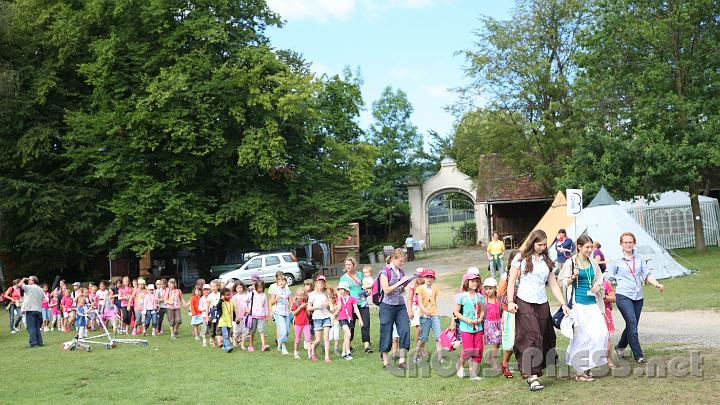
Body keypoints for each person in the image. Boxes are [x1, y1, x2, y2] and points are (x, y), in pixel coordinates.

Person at [507, 230, 570, 392]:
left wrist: (563, 303)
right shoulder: (520, 258)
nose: (542, 247)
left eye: (544, 244)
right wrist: (510, 301)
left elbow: (553, 284)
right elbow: (511, 280)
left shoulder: (547, 261)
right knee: (531, 337)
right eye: (539, 244)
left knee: (544, 336)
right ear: (532, 243)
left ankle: (535, 369)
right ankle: (532, 377)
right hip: (524, 301)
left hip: (542, 303)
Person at [608, 232, 664, 364]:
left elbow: (647, 274)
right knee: (632, 324)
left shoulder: (639, 258)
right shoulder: (616, 259)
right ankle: (639, 356)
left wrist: (657, 284)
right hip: (623, 295)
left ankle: (620, 347)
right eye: (625, 242)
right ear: (621, 244)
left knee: (631, 325)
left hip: (638, 296)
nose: (628, 244)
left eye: (630, 242)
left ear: (634, 243)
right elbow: (609, 277)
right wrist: (604, 289)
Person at [559, 234, 609, 381]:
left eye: (591, 247)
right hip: (577, 304)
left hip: (592, 303)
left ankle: (588, 365)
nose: (590, 250)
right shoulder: (571, 263)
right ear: (579, 247)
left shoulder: (593, 262)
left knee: (601, 334)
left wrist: (597, 285)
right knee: (581, 337)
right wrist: (572, 278)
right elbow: (561, 282)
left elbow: (600, 278)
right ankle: (580, 371)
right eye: (587, 247)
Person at [378, 248, 412, 370]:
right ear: (393, 258)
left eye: (403, 262)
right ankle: (386, 363)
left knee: (405, 330)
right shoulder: (384, 272)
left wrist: (405, 283)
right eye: (400, 261)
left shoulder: (401, 272)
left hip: (400, 305)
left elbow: (400, 289)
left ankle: (402, 360)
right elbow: (386, 290)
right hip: (387, 306)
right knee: (386, 332)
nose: (402, 264)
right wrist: (399, 282)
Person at [453, 272, 485, 380]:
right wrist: (467, 320)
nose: (475, 283)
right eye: (472, 281)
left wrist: (480, 318)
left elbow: (482, 311)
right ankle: (460, 365)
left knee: (478, 350)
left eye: (476, 281)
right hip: (466, 328)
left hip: (478, 328)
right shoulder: (462, 297)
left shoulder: (480, 297)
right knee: (469, 350)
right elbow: (456, 312)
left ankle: (473, 374)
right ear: (467, 283)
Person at [339, 258, 372, 353]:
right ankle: (348, 344)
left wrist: (368, 290)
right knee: (351, 325)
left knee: (365, 323)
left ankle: (367, 346)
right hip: (350, 304)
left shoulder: (360, 275)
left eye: (349, 264)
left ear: (354, 265)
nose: (348, 266)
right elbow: (342, 292)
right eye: (346, 265)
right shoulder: (343, 278)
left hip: (363, 303)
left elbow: (366, 285)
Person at [498, 250, 520, 378]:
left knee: (522, 338)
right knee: (511, 340)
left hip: (523, 309)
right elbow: (500, 295)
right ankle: (505, 363)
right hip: (510, 311)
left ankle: (523, 365)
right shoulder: (506, 276)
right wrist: (503, 311)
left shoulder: (524, 275)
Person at [335, 281, 364, 360]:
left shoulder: (352, 299)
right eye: (339, 289)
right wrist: (339, 298)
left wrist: (360, 320)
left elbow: (356, 309)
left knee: (346, 337)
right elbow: (339, 307)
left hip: (350, 319)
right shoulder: (339, 298)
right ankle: (348, 352)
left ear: (347, 290)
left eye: (342, 289)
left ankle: (343, 353)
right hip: (342, 319)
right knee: (348, 334)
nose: (340, 291)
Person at [415, 269, 440, 362]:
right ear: (424, 278)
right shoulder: (420, 289)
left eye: (431, 277)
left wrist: (436, 312)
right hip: (424, 316)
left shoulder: (435, 288)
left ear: (434, 279)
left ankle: (440, 357)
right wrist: (424, 311)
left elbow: (434, 301)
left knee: (438, 337)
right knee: (423, 338)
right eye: (427, 277)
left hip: (434, 315)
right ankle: (416, 355)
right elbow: (420, 302)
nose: (429, 279)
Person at [308, 275, 332, 362]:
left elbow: (330, 307)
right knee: (318, 339)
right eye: (319, 283)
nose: (321, 284)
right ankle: (312, 349)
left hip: (326, 317)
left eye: (322, 282)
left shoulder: (326, 293)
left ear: (324, 284)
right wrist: (317, 307)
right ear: (316, 284)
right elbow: (308, 308)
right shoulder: (312, 294)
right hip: (317, 318)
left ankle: (327, 357)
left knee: (326, 337)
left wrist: (328, 305)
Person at [270, 272, 293, 355]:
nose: (281, 282)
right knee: (283, 330)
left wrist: (292, 310)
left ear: (286, 282)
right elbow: (271, 302)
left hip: (287, 313)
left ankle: (280, 341)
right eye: (279, 281)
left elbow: (291, 302)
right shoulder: (275, 290)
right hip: (278, 313)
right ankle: (284, 348)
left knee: (287, 331)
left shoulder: (288, 291)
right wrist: (277, 299)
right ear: (277, 282)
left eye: (283, 280)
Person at [482, 277, 502, 369]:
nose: (488, 291)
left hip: (498, 323)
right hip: (490, 325)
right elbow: (482, 313)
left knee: (498, 344)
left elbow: (501, 311)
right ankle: (493, 364)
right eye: (486, 289)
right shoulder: (484, 301)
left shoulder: (498, 300)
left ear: (495, 288)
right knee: (494, 344)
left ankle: (490, 358)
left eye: (490, 288)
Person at [20, 276, 44, 347]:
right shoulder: (40, 289)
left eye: (29, 279)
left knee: (31, 327)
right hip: (39, 310)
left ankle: (33, 343)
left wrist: (24, 279)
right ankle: (40, 342)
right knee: (37, 327)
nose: (28, 280)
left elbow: (20, 285)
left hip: (30, 310)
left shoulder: (29, 287)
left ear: (33, 281)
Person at [247, 279, 270, 352]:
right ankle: (251, 345)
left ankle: (263, 345)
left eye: (262, 287)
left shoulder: (264, 295)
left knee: (261, 330)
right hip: (253, 315)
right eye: (259, 287)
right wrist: (246, 308)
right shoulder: (252, 294)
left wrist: (266, 315)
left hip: (261, 315)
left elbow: (265, 305)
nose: (260, 289)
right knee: (252, 331)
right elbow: (244, 301)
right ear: (256, 287)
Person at [291, 287, 312, 359]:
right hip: (298, 324)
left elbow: (308, 314)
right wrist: (300, 307)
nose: (300, 297)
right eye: (298, 295)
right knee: (297, 339)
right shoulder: (295, 303)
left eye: (301, 295)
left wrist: (305, 307)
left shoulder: (306, 303)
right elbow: (293, 313)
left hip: (306, 323)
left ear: (304, 296)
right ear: (296, 296)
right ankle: (296, 352)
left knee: (308, 338)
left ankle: (310, 353)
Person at [602, 269, 617, 368]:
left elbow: (614, 298)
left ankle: (609, 360)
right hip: (591, 312)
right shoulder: (586, 283)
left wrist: (603, 296)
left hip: (604, 313)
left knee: (607, 337)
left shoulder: (605, 283)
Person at [217, 288, 236, 353]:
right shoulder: (221, 302)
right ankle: (228, 346)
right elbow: (217, 307)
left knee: (227, 334)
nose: (229, 296)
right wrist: (221, 300)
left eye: (229, 295)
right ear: (223, 295)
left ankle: (224, 347)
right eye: (227, 295)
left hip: (229, 322)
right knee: (225, 335)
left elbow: (234, 310)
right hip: (223, 322)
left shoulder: (232, 301)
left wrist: (237, 318)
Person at [231, 283, 250, 349]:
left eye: (241, 287)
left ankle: (242, 344)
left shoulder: (246, 296)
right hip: (238, 317)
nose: (239, 289)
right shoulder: (234, 297)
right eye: (238, 288)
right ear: (235, 289)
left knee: (245, 331)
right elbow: (233, 308)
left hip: (245, 316)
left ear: (243, 288)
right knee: (237, 331)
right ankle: (234, 339)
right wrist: (236, 317)